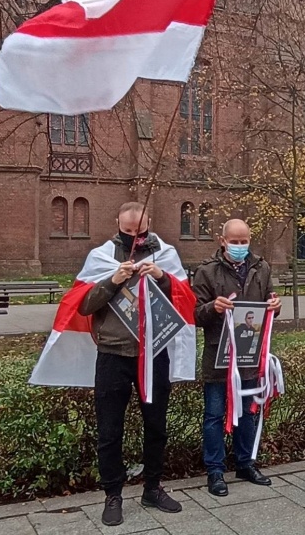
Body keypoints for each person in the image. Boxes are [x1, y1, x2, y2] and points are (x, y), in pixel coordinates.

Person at [75, 202, 192, 526]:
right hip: (113, 354)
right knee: (110, 430)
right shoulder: (101, 256)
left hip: (154, 353)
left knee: (156, 427)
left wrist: (162, 277)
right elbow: (83, 304)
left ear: (149, 225)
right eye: (128, 232)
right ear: (118, 224)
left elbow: (185, 297)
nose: (134, 239)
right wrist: (113, 280)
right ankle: (113, 494)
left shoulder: (165, 254)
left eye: (139, 233)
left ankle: (152, 488)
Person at [192, 219, 282, 497]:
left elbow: (270, 301)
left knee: (248, 414)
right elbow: (194, 314)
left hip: (250, 354)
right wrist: (212, 307)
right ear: (222, 240)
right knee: (214, 415)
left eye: (244, 242)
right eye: (235, 241)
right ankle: (215, 471)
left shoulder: (262, 268)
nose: (240, 247)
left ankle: (246, 463)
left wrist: (275, 306)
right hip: (219, 354)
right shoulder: (206, 271)